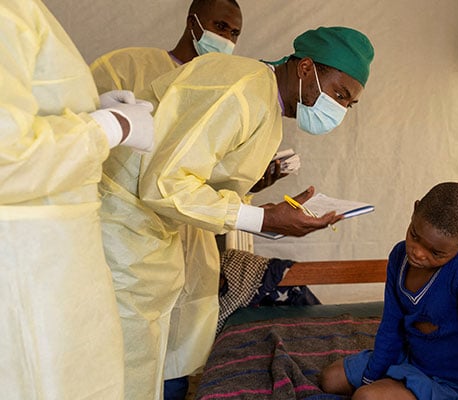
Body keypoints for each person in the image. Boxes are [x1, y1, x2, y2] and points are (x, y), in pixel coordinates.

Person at [96, 26, 374, 400]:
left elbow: (207, 185)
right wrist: (262, 219)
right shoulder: (243, 89)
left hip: (150, 234)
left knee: (148, 359)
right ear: (306, 68)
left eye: (349, 103)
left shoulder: (267, 107)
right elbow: (166, 183)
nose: (339, 110)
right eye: (339, 95)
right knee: (117, 366)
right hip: (121, 230)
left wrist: (273, 214)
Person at [0, 0, 154, 399]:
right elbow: (4, 157)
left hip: (50, 262)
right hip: (27, 270)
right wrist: (108, 127)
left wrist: (88, 108)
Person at [90, 2, 245, 397]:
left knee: (175, 354)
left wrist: (256, 184)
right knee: (121, 352)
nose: (226, 39)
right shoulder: (128, 66)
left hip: (189, 243)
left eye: (234, 33)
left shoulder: (223, 91)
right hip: (123, 239)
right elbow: (81, 136)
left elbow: (206, 182)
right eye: (220, 26)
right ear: (193, 21)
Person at [319, 182, 458, 399]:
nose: (418, 253)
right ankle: (394, 383)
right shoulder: (399, 255)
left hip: (455, 383)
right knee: (330, 379)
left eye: (436, 253)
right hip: (412, 359)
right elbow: (391, 326)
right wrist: (371, 376)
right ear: (415, 209)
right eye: (415, 236)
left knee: (366, 397)